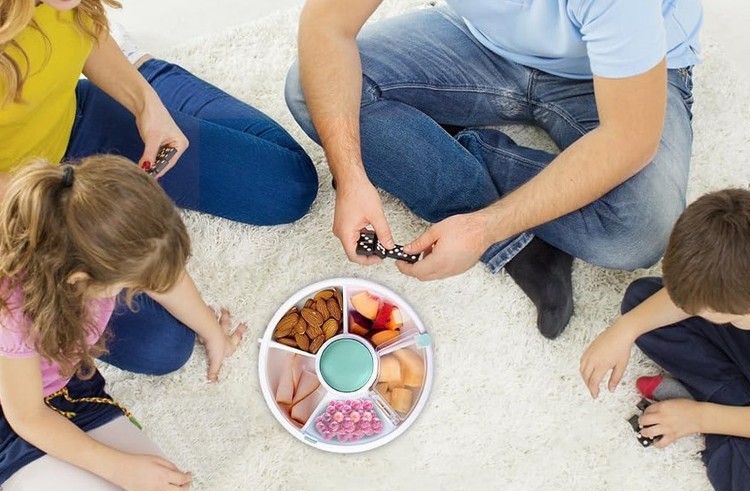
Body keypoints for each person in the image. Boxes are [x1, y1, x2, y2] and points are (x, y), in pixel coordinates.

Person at [284, 0, 701, 339]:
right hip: (483, 46)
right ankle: (525, 240)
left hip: (606, 76)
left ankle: (444, 149)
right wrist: (353, 176)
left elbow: (629, 138)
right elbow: (327, 25)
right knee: (310, 88)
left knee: (639, 230)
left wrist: (485, 228)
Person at [1, 0, 317, 374]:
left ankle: (148, 71)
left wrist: (146, 104)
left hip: (71, 123)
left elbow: (84, 25)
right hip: (16, 202)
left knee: (286, 187)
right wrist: (80, 222)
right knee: (162, 348)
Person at [0, 155, 247, 491]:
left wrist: (210, 329)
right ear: (80, 280)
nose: (138, 290)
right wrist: (116, 468)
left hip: (65, 387)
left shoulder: (83, 231)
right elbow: (27, 416)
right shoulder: (16, 312)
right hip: (13, 416)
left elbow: (160, 274)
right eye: (129, 285)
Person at [580, 189, 750, 491]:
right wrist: (625, 329)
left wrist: (699, 418)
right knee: (640, 305)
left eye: (728, 318)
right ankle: (748, 412)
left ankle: (731, 420)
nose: (720, 321)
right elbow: (689, 299)